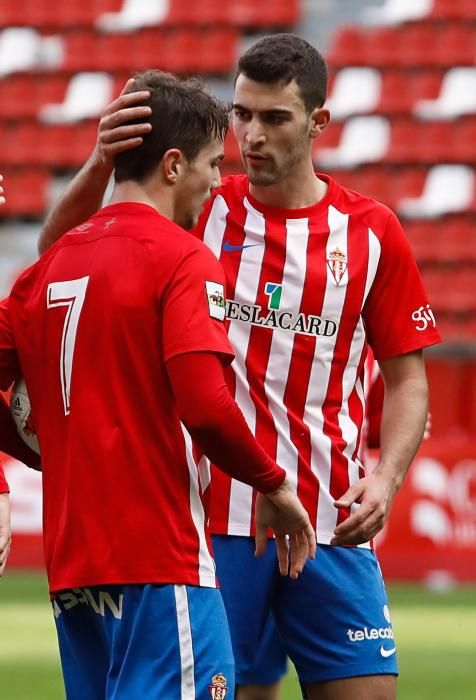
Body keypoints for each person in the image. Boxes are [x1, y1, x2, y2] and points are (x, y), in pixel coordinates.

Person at [38, 36, 441, 700]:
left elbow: (408, 379)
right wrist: (99, 163)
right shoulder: (200, 206)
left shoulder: (372, 234)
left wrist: (388, 475)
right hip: (214, 524)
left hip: (331, 517)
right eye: (243, 115)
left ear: (318, 123)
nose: (251, 135)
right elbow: (65, 259)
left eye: (274, 118)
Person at [0, 70, 316, 700]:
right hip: (158, 559)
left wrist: (39, 449)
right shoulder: (181, 257)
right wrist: (275, 484)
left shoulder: (46, 269)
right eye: (211, 163)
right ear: (173, 166)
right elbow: (204, 404)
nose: (220, 181)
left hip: (74, 569)